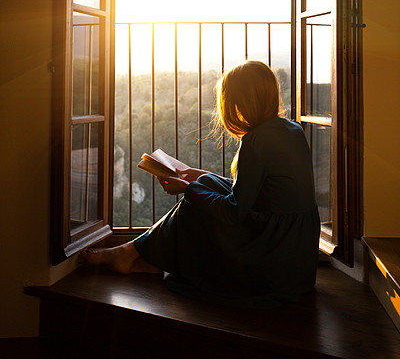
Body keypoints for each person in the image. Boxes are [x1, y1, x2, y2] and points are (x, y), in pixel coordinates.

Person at [81, 60, 320, 307]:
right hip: (296, 257)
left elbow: (234, 211)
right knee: (205, 182)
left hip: (272, 257)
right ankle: (136, 254)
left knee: (194, 201)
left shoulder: (256, 142)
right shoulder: (291, 129)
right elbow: (261, 191)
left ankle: (129, 253)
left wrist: (188, 188)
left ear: (239, 102)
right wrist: (197, 176)